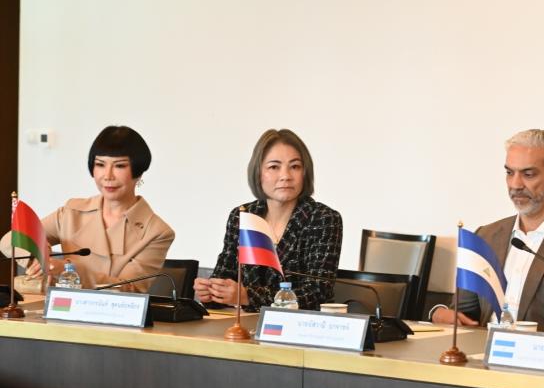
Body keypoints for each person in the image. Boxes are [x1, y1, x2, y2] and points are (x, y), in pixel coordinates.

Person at [430, 129, 544, 335]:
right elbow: (464, 315)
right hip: (479, 351)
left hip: (542, 355)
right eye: (510, 173)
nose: (515, 184)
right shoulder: (486, 236)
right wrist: (441, 314)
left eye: (528, 174)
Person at [194, 129, 342, 311]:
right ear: (258, 173)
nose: (285, 176)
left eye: (295, 166)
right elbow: (225, 276)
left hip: (301, 325)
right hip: (246, 322)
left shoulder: (323, 219)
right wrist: (211, 291)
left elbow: (318, 293)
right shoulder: (243, 216)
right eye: (274, 167)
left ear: (305, 173)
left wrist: (247, 296)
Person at [12, 125, 174, 291]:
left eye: (119, 166)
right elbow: (11, 239)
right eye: (100, 164)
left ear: (138, 172)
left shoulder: (157, 232)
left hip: (108, 307)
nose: (108, 176)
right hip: (61, 304)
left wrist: (68, 270)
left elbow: (129, 290)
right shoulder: (71, 212)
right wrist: (39, 257)